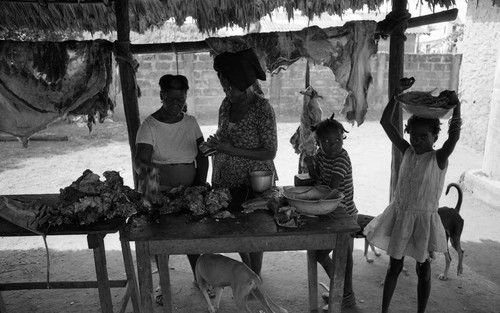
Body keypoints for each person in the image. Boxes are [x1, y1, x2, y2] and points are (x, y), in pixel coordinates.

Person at [363, 77, 462, 313]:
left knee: (423, 271)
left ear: (434, 138)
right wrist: (396, 96)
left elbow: (455, 136)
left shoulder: (438, 158)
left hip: (424, 222)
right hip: (401, 216)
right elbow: (386, 123)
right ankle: (384, 310)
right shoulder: (407, 151)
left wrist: (457, 107)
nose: (416, 141)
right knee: (393, 267)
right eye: (413, 136)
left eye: (423, 137)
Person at [133, 74, 209, 304]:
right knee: (160, 239)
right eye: (172, 99)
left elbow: (203, 157)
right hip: (160, 192)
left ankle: (201, 278)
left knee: (193, 236)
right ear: (161, 96)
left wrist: (200, 186)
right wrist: (152, 194)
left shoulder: (191, 122)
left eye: (181, 98)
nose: (177, 103)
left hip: (189, 190)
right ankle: (162, 285)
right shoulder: (149, 126)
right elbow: (142, 162)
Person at [208, 48, 278, 276]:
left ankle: (254, 275)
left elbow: (270, 152)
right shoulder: (226, 105)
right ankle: (248, 270)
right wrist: (217, 144)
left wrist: (232, 149)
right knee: (235, 230)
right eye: (224, 87)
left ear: (246, 84)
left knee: (255, 231)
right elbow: (225, 135)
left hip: (254, 183)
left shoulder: (262, 109)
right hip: (226, 181)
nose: (228, 92)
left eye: (231, 87)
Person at [303, 114, 358, 310]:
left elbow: (332, 188)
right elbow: (319, 179)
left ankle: (343, 293)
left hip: (344, 214)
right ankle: (343, 291)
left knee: (333, 253)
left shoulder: (342, 158)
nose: (333, 145)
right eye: (326, 141)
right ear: (318, 142)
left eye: (337, 140)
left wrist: (311, 204)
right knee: (339, 254)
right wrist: (311, 166)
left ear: (343, 138)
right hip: (331, 211)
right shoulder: (321, 155)